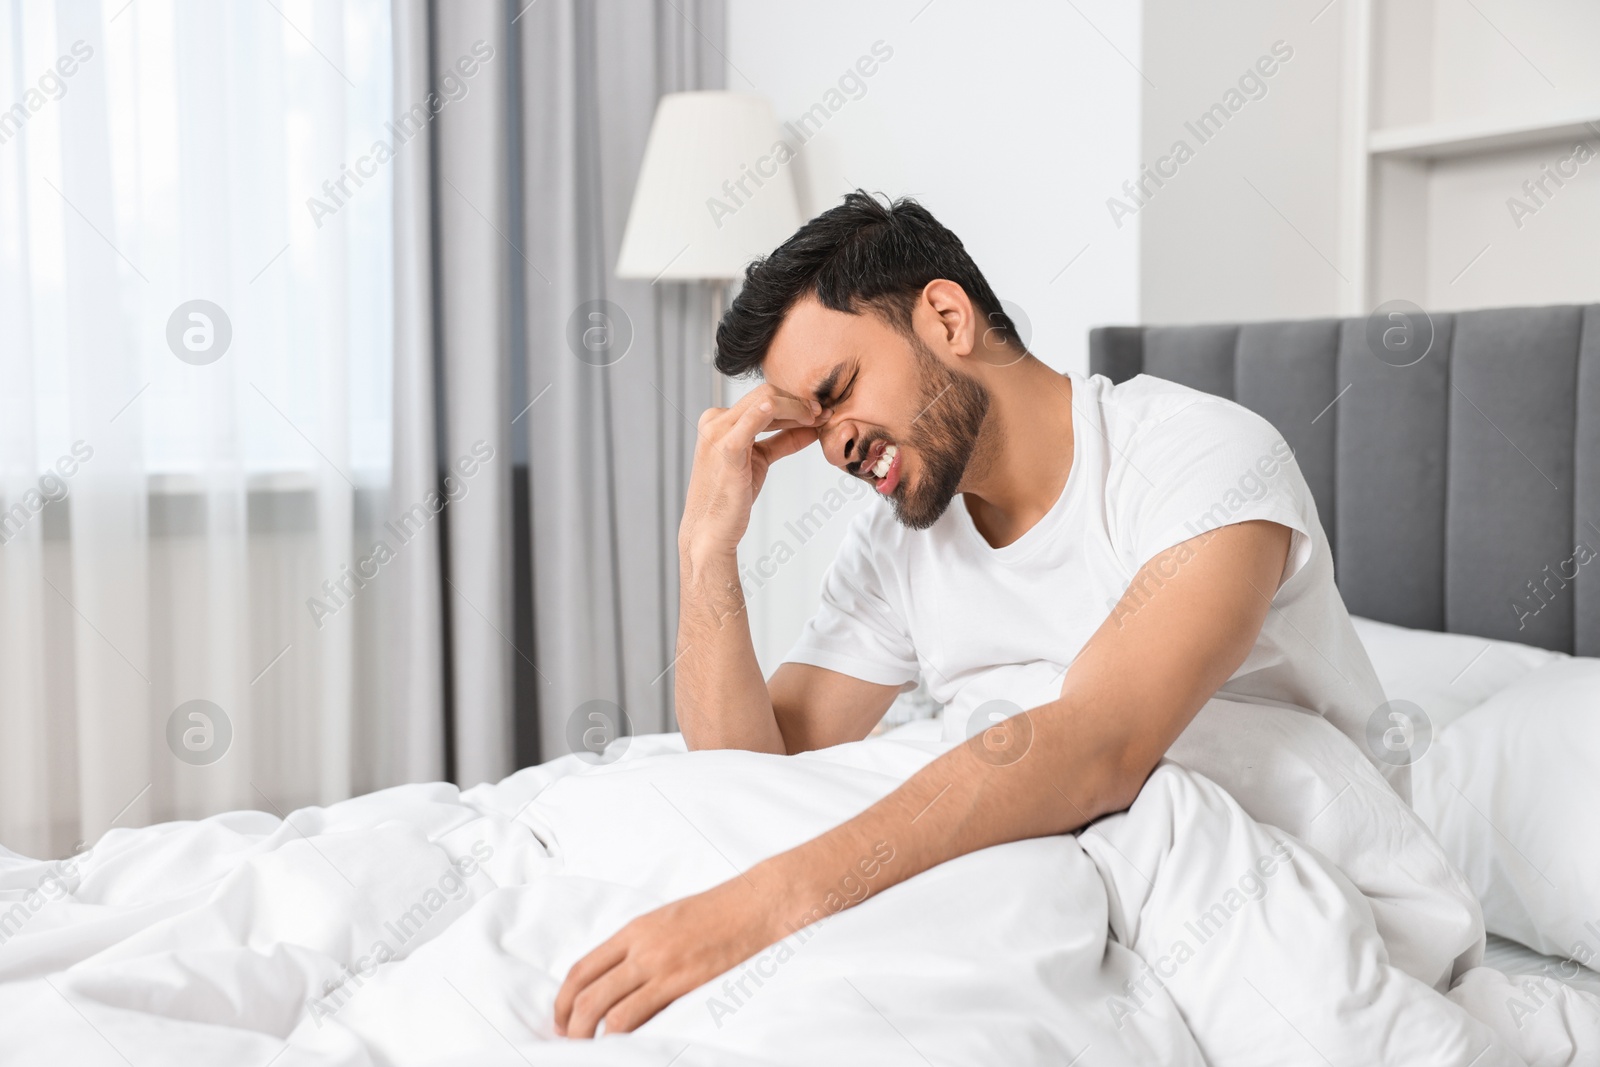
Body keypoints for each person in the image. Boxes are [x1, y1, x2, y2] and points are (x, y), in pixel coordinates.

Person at [554, 191, 1400, 1038]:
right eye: (814, 427)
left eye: (839, 391)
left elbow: (1098, 748)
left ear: (948, 318)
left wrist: (761, 905)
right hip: (1039, 884)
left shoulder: (1203, 457)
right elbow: (750, 771)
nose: (836, 445)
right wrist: (705, 549)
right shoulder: (897, 547)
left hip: (1280, 896)